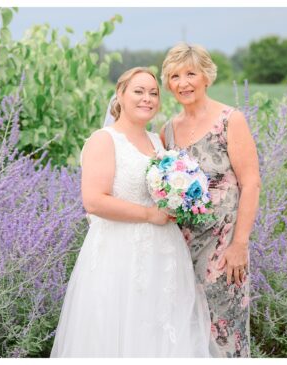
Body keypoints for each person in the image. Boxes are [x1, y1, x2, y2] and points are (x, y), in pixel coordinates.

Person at [51, 67, 211, 357]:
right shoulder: (104, 139)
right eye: (138, 91)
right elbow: (94, 201)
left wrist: (181, 199)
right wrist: (150, 215)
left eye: (153, 93)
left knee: (160, 330)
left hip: (162, 253)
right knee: (120, 329)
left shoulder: (156, 141)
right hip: (119, 255)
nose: (147, 99)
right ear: (120, 96)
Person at [158, 42, 260, 357]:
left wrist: (239, 244)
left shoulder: (230, 120)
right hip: (181, 244)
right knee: (186, 326)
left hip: (223, 245)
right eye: (175, 76)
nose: (183, 83)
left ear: (206, 76)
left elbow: (251, 183)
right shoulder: (168, 131)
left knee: (225, 326)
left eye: (190, 73)